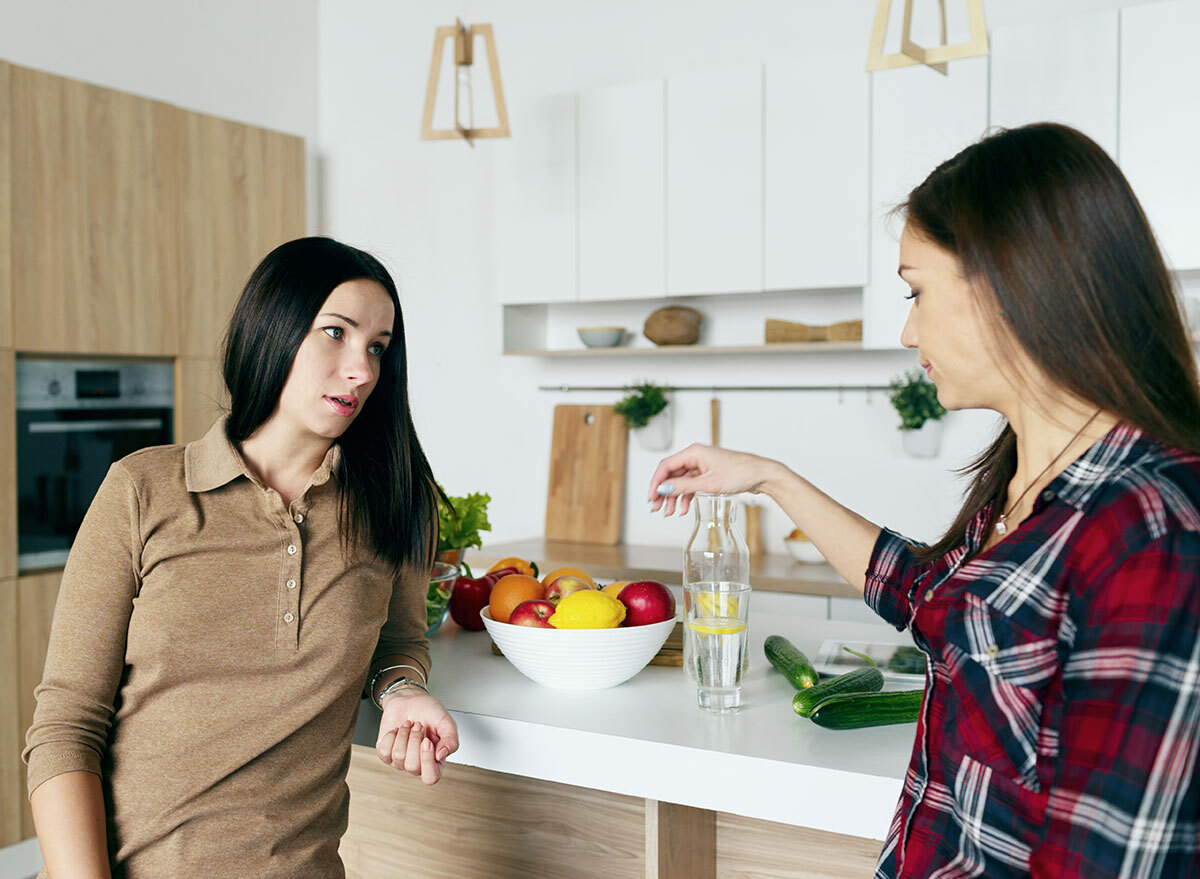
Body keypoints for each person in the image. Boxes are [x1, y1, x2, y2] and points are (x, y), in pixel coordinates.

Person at [649, 123, 1200, 878]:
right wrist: (769, 477)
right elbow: (933, 600)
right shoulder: (1028, 478)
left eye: (917, 290)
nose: (907, 329)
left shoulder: (1152, 534)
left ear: (1010, 283)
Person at [24, 237, 460, 879]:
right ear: (273, 330)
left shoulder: (395, 504)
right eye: (335, 333)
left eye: (377, 348)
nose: (362, 370)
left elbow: (398, 638)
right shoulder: (142, 490)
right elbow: (67, 722)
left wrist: (400, 689)